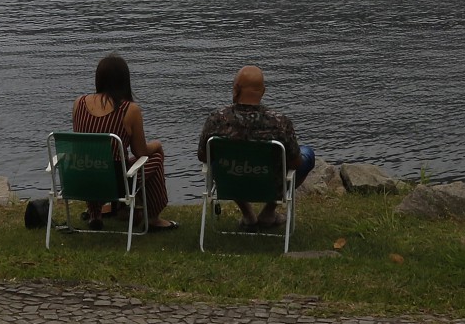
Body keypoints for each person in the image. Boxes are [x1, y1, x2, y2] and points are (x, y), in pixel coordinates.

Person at [196, 64, 315, 229]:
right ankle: (269, 211)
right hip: (270, 184)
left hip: (231, 181)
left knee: (221, 162)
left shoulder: (216, 120)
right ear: (263, 91)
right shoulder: (280, 123)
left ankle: (248, 214)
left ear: (236, 88)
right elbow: (295, 164)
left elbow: (203, 156)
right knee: (307, 153)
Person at [71, 53, 174, 230]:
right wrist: (157, 145)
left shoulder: (78, 103)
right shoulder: (129, 109)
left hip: (82, 178)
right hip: (116, 184)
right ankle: (153, 217)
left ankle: (96, 213)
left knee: (94, 161)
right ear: (124, 81)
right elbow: (140, 152)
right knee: (154, 158)